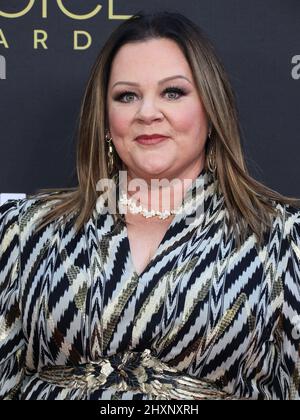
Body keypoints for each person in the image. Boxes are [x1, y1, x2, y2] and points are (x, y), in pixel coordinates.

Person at [0, 10, 300, 400]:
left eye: (172, 92)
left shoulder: (283, 240)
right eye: (127, 96)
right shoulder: (24, 232)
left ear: (211, 110)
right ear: (106, 121)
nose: (147, 113)